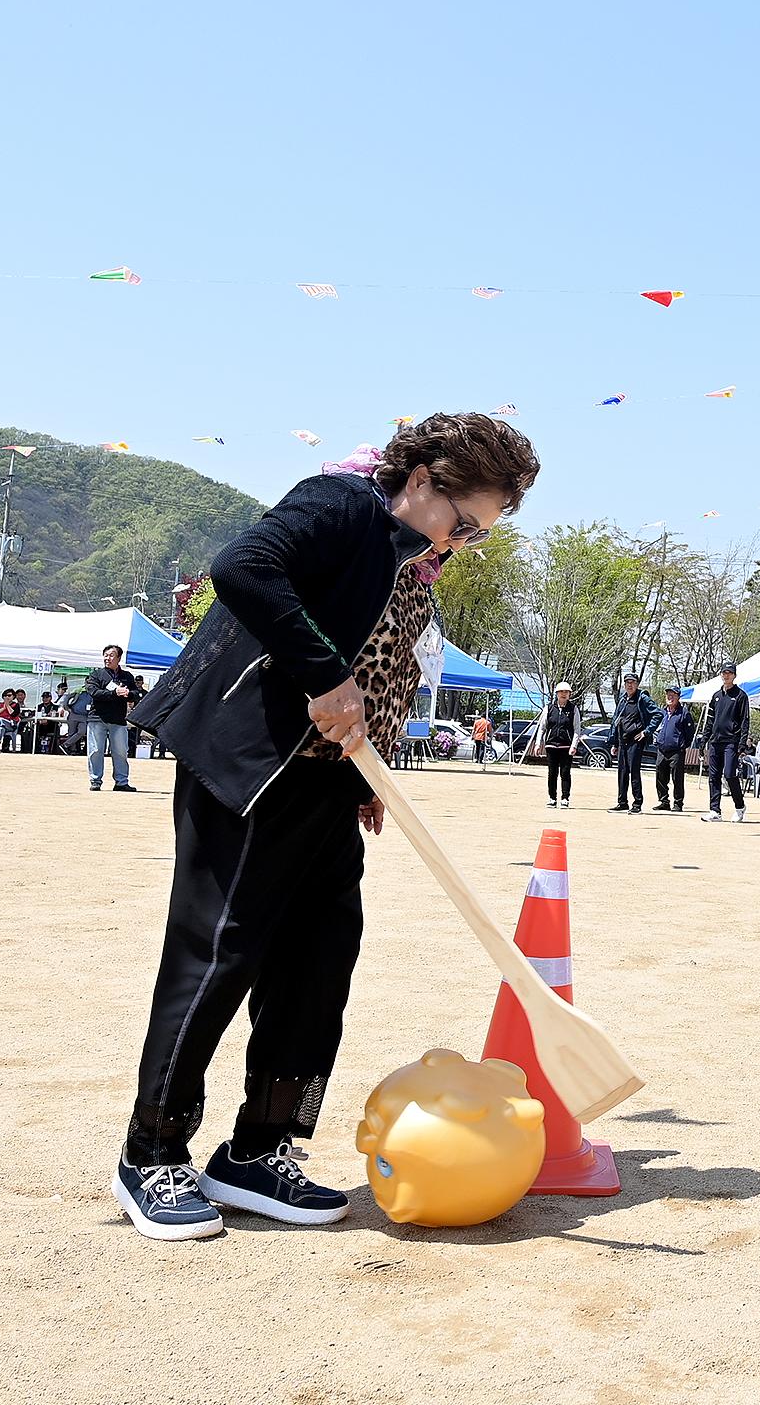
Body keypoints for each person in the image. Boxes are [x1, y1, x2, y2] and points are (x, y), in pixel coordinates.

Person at [112, 412, 538, 1242]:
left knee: (319, 959)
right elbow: (242, 569)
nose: (460, 543)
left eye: (477, 535)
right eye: (463, 523)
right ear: (423, 480)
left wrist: (362, 772)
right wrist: (321, 674)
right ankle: (151, 1151)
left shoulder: (412, 559)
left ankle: (259, 1148)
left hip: (327, 782)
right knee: (220, 952)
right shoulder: (340, 504)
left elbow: (379, 667)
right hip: (249, 769)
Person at [86, 649, 146, 792]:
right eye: (105, 655)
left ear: (119, 658)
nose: (107, 658)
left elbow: (136, 694)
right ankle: (95, 781)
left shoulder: (127, 676)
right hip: (97, 718)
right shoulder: (96, 675)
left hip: (118, 719)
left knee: (121, 751)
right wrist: (114, 693)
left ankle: (121, 782)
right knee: (95, 750)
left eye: (111, 655)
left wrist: (128, 693)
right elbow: (94, 692)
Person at [700, 662, 750, 822]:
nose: (726, 675)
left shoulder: (741, 696)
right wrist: (704, 740)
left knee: (729, 774)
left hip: (731, 742)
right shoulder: (716, 696)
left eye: (729, 673)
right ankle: (715, 811)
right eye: (724, 672)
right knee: (713, 776)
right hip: (715, 742)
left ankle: (740, 806)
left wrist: (742, 743)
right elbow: (710, 721)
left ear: (734, 675)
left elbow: (745, 722)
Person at [607, 673, 653, 813]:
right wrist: (615, 743)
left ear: (637, 684)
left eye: (632, 682)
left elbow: (658, 714)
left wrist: (646, 731)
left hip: (635, 741)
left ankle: (637, 804)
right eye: (627, 682)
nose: (630, 685)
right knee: (622, 773)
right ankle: (622, 803)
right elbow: (616, 721)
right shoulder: (623, 699)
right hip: (622, 741)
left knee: (634, 772)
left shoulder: (642, 698)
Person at [652, 687, 695, 812]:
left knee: (677, 778)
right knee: (660, 776)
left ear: (678, 698)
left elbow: (690, 733)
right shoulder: (662, 713)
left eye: (673, 695)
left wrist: (682, 745)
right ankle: (664, 801)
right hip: (662, 749)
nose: (670, 697)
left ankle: (678, 803)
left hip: (676, 751)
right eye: (668, 695)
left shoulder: (684, 713)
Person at [539, 681, 578, 809]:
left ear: (569, 694)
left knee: (565, 773)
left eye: (566, 692)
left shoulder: (573, 709)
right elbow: (542, 727)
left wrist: (574, 745)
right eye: (561, 692)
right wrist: (539, 743)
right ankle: (552, 798)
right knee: (552, 773)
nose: (563, 694)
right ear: (557, 693)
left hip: (566, 747)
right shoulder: (549, 708)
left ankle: (565, 798)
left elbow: (577, 729)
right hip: (551, 746)